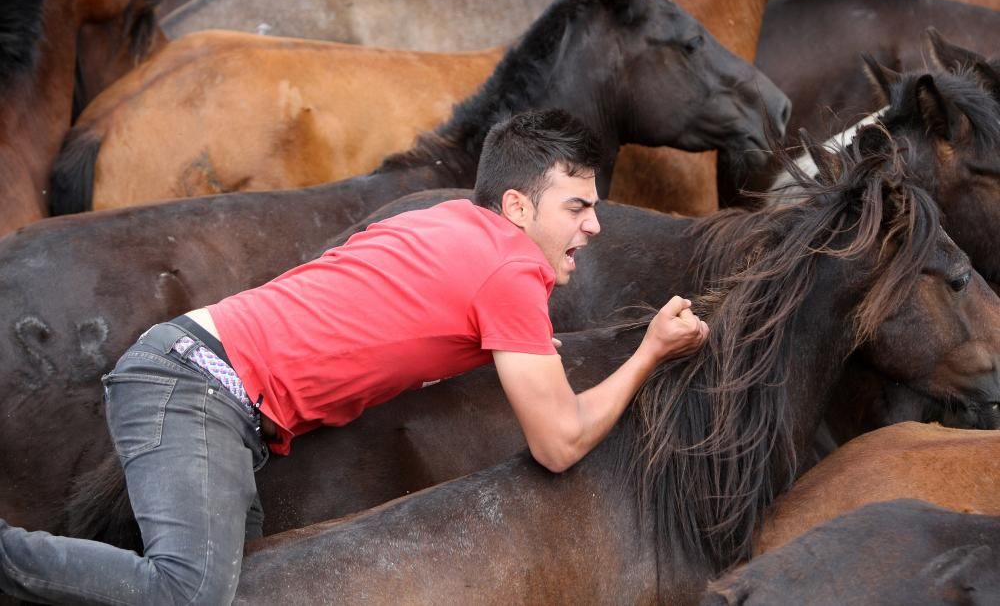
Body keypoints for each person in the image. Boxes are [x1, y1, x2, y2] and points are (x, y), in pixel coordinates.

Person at [0, 109, 709, 604]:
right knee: (189, 589)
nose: (595, 223)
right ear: (519, 208)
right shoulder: (510, 269)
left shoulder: (449, 221)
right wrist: (651, 349)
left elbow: (395, 318)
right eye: (577, 207)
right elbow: (558, 444)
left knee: (245, 588)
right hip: (197, 387)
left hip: (192, 373)